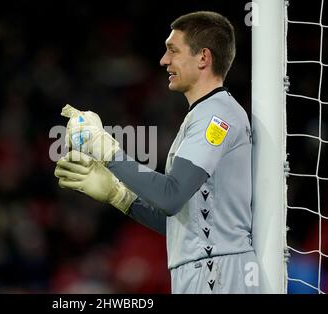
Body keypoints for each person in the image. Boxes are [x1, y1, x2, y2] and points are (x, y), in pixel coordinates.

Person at [54, 11, 261, 294]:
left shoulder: (216, 116)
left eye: (173, 51)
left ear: (203, 58)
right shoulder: (204, 114)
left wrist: (108, 151)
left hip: (218, 274)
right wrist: (119, 195)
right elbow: (184, 226)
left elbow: (171, 196)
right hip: (207, 270)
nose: (164, 60)